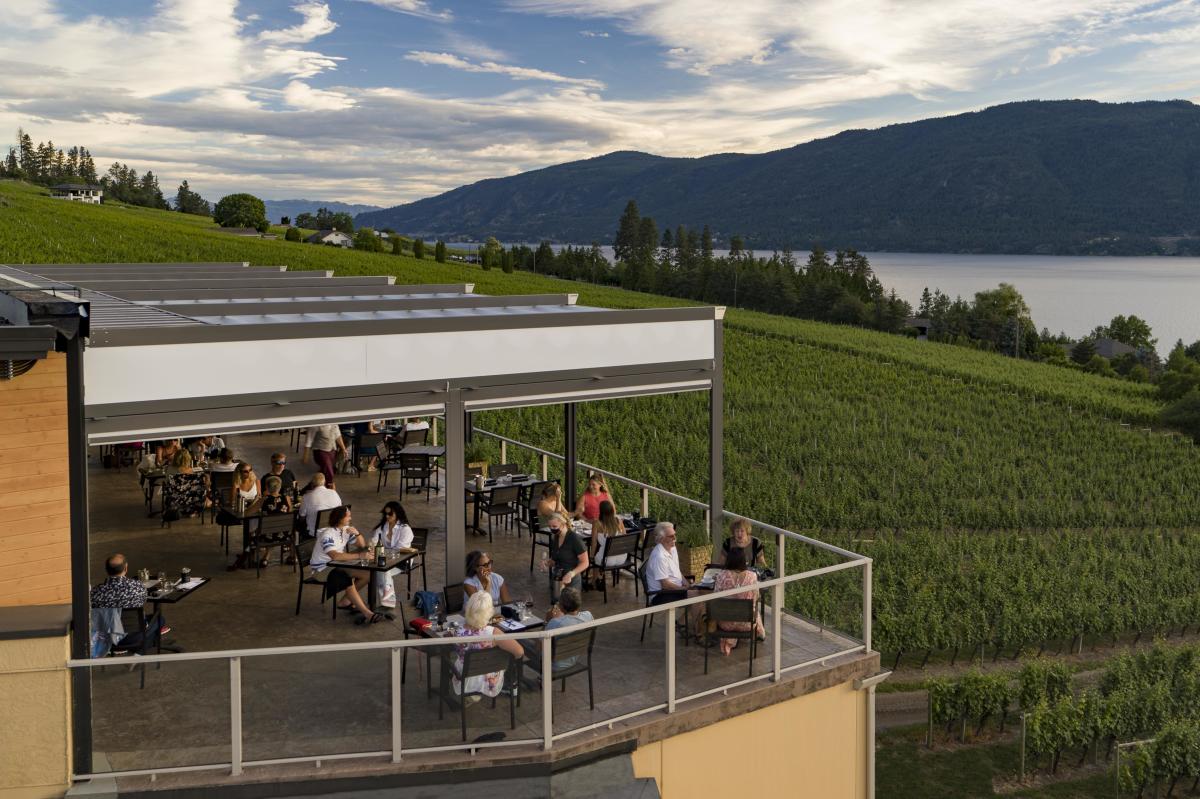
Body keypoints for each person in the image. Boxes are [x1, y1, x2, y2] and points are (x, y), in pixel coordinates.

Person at [308, 506, 381, 624]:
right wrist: (360, 556)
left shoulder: (345, 529)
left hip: (336, 565)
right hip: (322, 569)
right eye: (348, 516)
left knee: (368, 574)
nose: (350, 518)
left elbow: (362, 545)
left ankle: (345, 601)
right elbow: (335, 556)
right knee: (344, 577)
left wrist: (357, 534)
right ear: (340, 518)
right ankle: (368, 613)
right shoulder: (328, 534)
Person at [451, 591, 524, 700]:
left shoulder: (457, 631)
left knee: (454, 657)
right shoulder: (494, 632)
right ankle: (511, 686)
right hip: (489, 680)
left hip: (465, 680)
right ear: (489, 612)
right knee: (507, 654)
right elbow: (519, 652)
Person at [89, 554, 168, 653]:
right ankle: (140, 652)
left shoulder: (96, 592)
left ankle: (136, 650)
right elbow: (143, 600)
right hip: (134, 635)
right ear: (126, 568)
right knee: (159, 619)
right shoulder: (137, 587)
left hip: (108, 637)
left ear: (107, 570)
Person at [520, 587, 594, 670]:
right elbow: (571, 621)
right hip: (573, 658)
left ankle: (515, 678)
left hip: (553, 664)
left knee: (517, 640)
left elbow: (539, 647)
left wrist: (547, 621)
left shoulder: (556, 623)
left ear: (561, 606)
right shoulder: (588, 616)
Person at [711, 546, 766, 655]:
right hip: (747, 623)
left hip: (725, 623)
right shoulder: (752, 576)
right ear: (743, 560)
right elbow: (756, 597)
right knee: (752, 607)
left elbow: (715, 598)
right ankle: (760, 632)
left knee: (734, 608)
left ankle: (730, 639)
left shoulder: (721, 576)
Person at [369, 501, 414, 609]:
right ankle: (386, 604)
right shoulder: (382, 527)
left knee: (382, 571)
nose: (387, 516)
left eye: (390, 514)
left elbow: (399, 550)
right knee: (380, 569)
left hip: (402, 561)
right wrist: (371, 545)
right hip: (384, 559)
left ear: (397, 514)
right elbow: (374, 542)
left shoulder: (405, 529)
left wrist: (380, 551)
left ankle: (387, 605)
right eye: (385, 513)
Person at [541, 512, 588, 603]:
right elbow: (555, 560)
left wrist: (572, 573)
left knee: (570, 609)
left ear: (563, 524)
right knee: (556, 608)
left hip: (572, 581)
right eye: (550, 527)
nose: (552, 529)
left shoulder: (574, 539)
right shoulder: (556, 537)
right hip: (557, 579)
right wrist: (547, 563)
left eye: (554, 526)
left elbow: (585, 562)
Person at [250, 475, 292, 568]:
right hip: (284, 536)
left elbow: (249, 512)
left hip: (266, 536)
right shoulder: (287, 498)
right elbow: (289, 513)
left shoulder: (264, 500)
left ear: (267, 487)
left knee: (252, 531)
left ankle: (253, 558)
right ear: (280, 487)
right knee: (275, 527)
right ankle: (268, 557)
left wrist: (257, 499)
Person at [644, 522, 689, 603]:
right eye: (671, 536)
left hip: (674, 589)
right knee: (697, 596)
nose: (675, 538)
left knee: (700, 594)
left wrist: (687, 584)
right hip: (661, 594)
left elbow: (677, 571)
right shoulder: (659, 557)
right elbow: (665, 585)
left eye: (675, 535)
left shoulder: (672, 548)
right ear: (661, 539)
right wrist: (683, 589)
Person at [588, 500, 627, 584]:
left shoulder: (597, 523)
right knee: (600, 555)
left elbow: (594, 543)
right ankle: (599, 577)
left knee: (595, 557)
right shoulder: (618, 520)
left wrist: (591, 556)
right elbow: (624, 537)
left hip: (607, 560)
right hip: (621, 558)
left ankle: (594, 581)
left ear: (601, 511)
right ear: (612, 510)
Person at [163, 450, 206, 518]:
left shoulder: (169, 469)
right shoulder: (190, 471)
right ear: (188, 459)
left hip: (174, 500)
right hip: (189, 499)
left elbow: (166, 483)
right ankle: (191, 511)